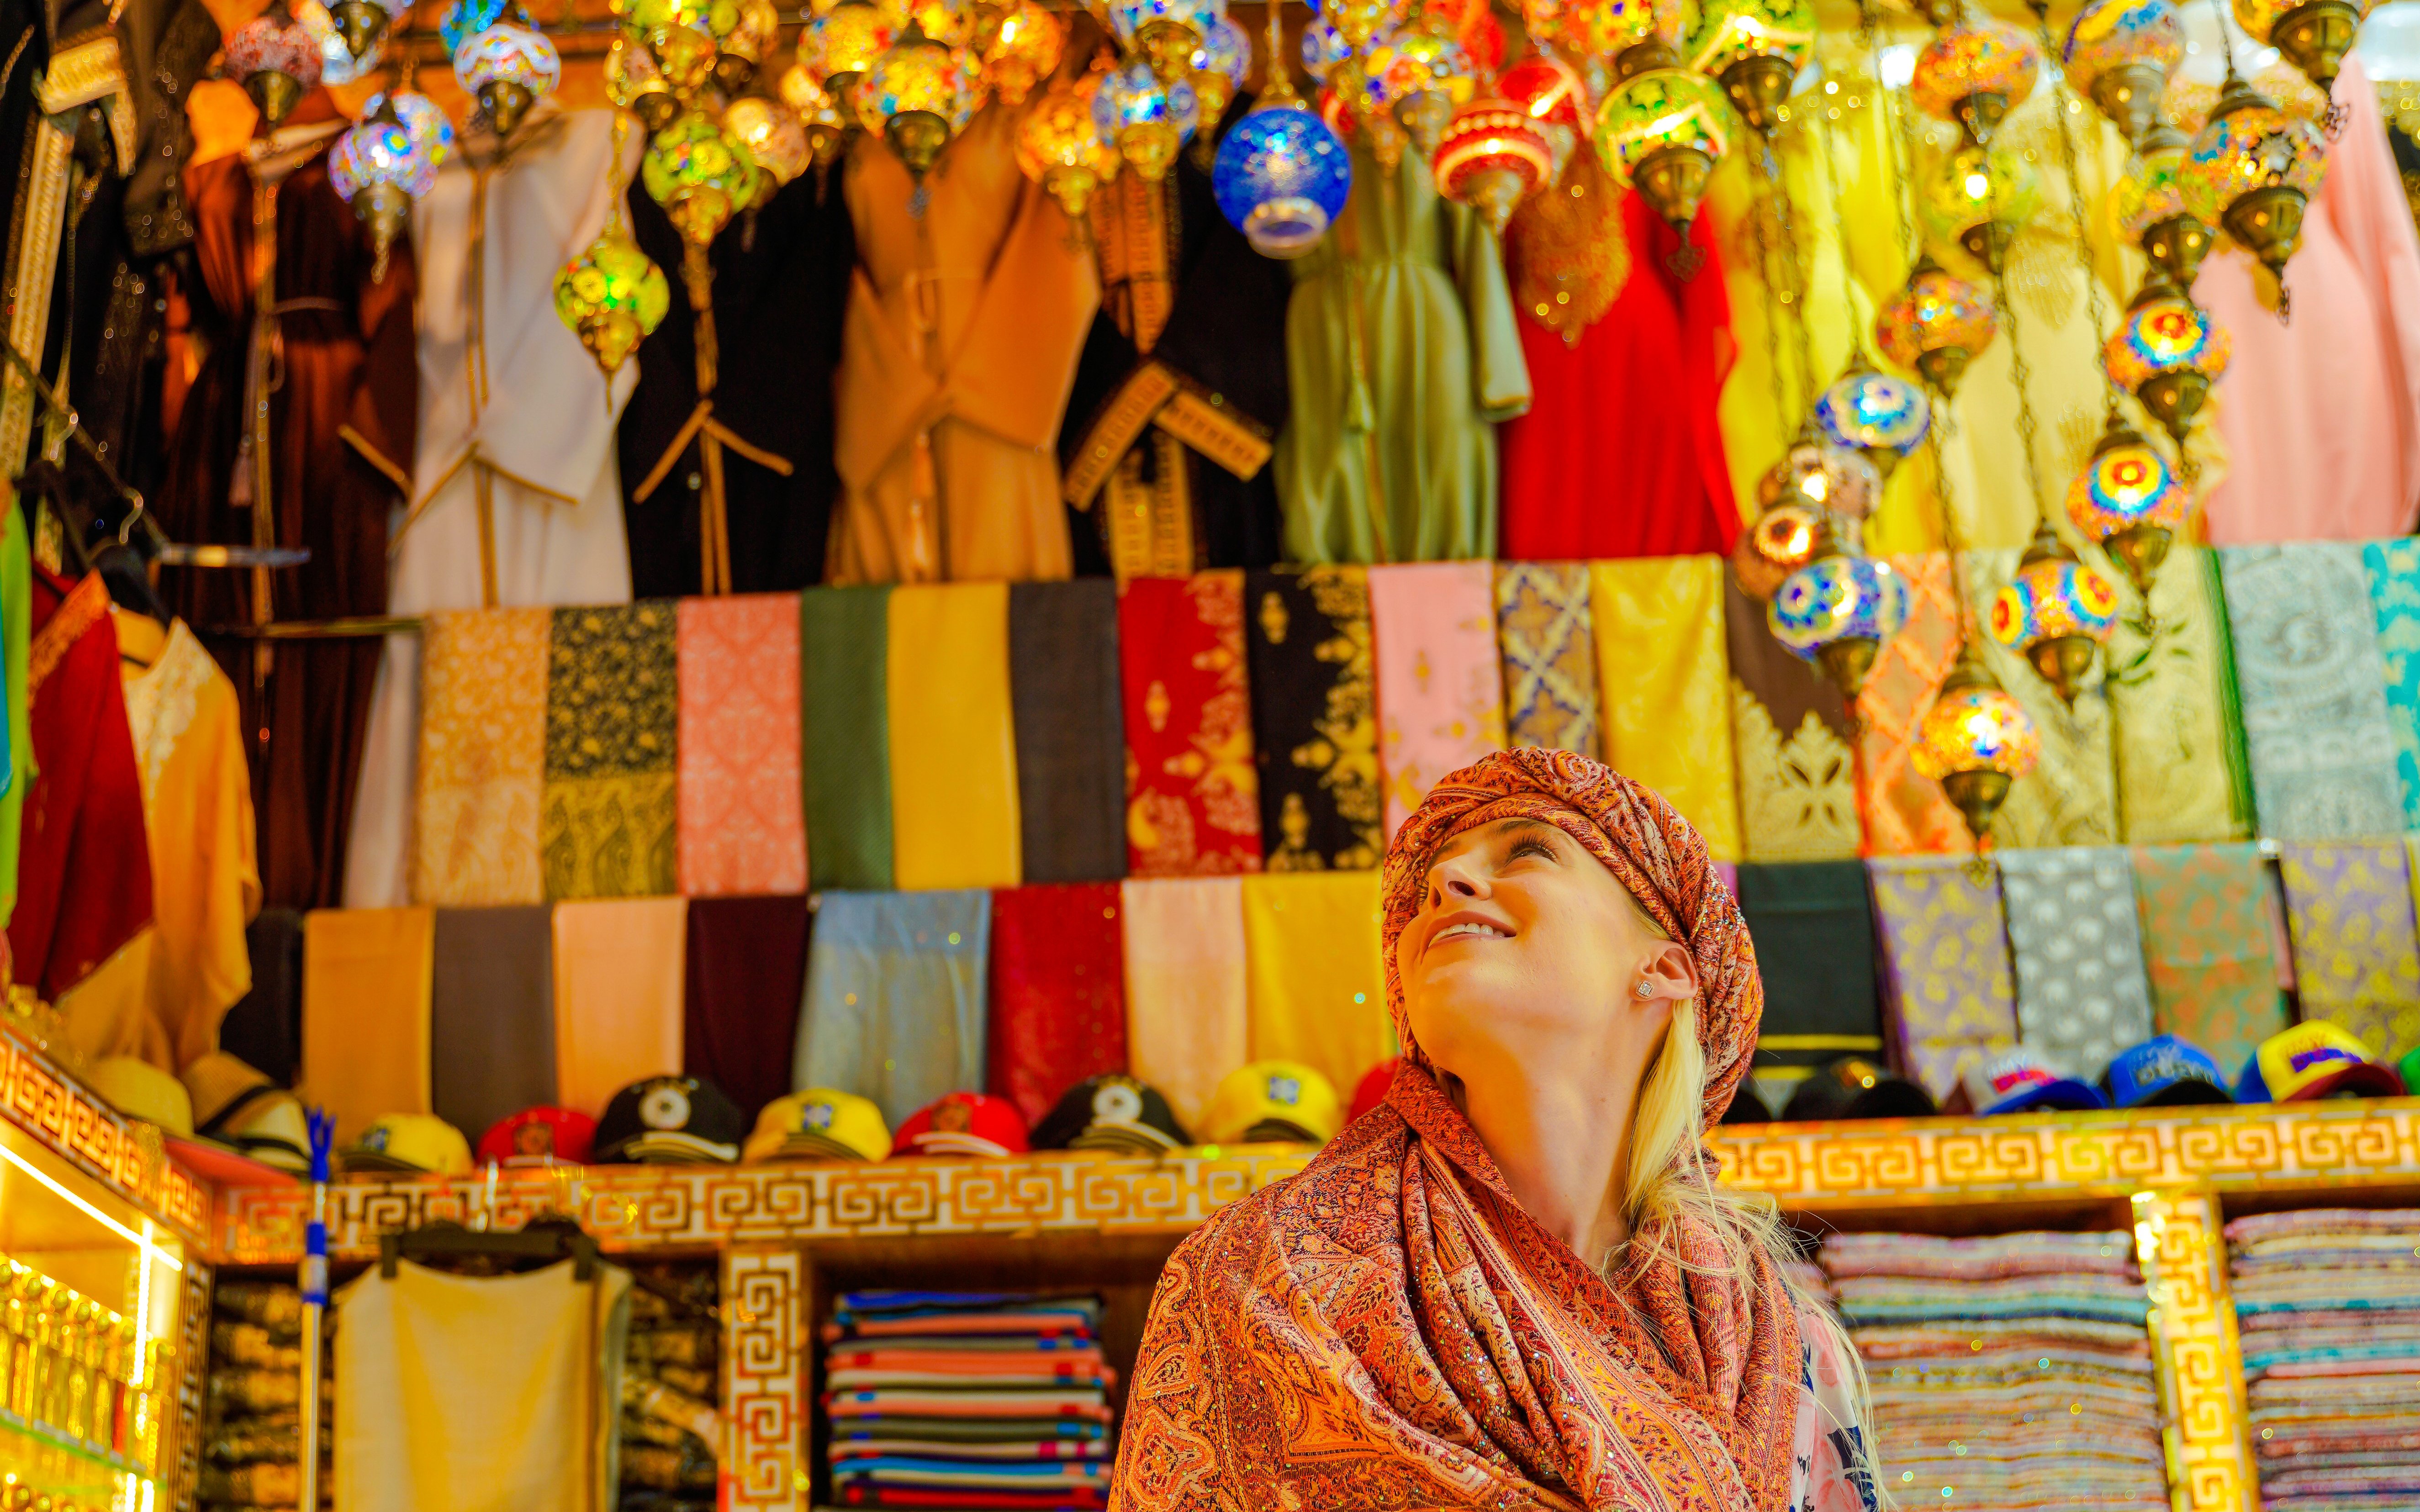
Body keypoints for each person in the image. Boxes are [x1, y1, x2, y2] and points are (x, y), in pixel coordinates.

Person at [1110, 747, 1878, 1512]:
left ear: (1667, 969)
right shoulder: (1258, 1284)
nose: (1443, 885)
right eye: (1427, 889)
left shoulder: (1780, 1348)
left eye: (1528, 851)